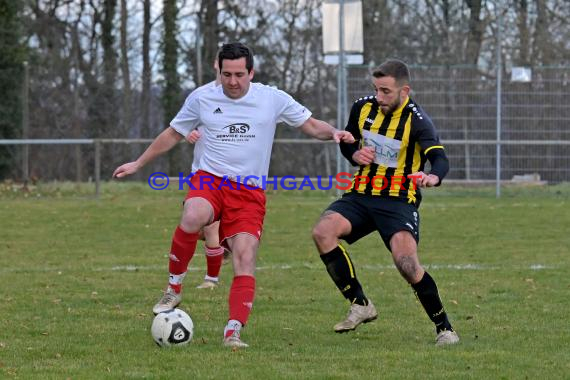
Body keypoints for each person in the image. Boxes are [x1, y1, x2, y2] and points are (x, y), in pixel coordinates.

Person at [113, 42, 354, 348]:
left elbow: (309, 124)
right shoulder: (201, 97)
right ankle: (174, 287)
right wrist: (138, 162)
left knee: (245, 257)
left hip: (249, 191)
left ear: (251, 72)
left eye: (240, 74)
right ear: (219, 70)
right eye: (227, 74)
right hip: (210, 180)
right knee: (193, 214)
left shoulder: (271, 98)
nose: (233, 81)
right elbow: (173, 133)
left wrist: (333, 132)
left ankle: (233, 331)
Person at [311, 59, 459, 346]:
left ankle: (444, 328)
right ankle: (360, 303)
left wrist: (433, 177)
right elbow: (347, 140)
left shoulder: (417, 121)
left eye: (386, 92)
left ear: (405, 91)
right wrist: (354, 153)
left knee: (406, 263)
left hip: (398, 200)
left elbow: (439, 157)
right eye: (376, 89)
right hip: (361, 194)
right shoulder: (363, 107)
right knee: (323, 231)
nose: (378, 97)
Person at [185, 57, 230, 290]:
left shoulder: (249, 96)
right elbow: (182, 125)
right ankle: (222, 245)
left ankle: (211, 280)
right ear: (216, 64)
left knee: (210, 226)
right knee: (198, 225)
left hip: (232, 176)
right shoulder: (199, 95)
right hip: (202, 172)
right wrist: (189, 134)